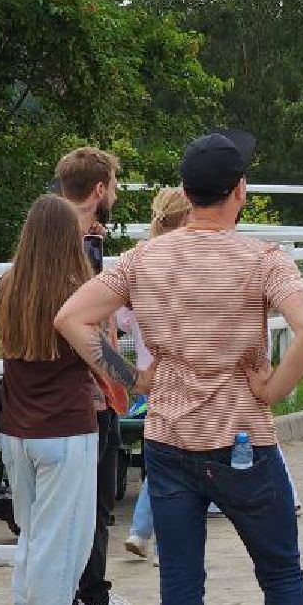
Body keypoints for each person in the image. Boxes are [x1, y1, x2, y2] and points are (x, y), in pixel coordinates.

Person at [55, 130, 303, 605]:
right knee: (281, 577)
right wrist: (271, 388)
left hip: (169, 440)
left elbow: (72, 318)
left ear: (187, 193)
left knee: (183, 585)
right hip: (243, 438)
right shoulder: (263, 259)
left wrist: (127, 375)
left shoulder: (145, 259)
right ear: (239, 191)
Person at [0, 196, 105, 605]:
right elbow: (103, 356)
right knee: (64, 545)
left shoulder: (10, 285)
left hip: (16, 428)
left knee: (32, 540)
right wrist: (142, 378)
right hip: (65, 426)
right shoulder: (75, 290)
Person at [52, 146, 153, 605]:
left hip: (95, 394)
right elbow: (79, 326)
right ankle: (70, 602)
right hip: (77, 395)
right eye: (112, 185)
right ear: (99, 190)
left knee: (98, 502)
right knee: (76, 506)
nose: (113, 194)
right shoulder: (62, 246)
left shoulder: (83, 243)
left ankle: (94, 594)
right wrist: (125, 376)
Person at [123, 186, 193, 565]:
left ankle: (142, 531)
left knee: (164, 459)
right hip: (183, 375)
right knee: (181, 461)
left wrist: (128, 374)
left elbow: (110, 320)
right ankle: (163, 539)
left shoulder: (136, 261)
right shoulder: (185, 262)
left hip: (150, 379)